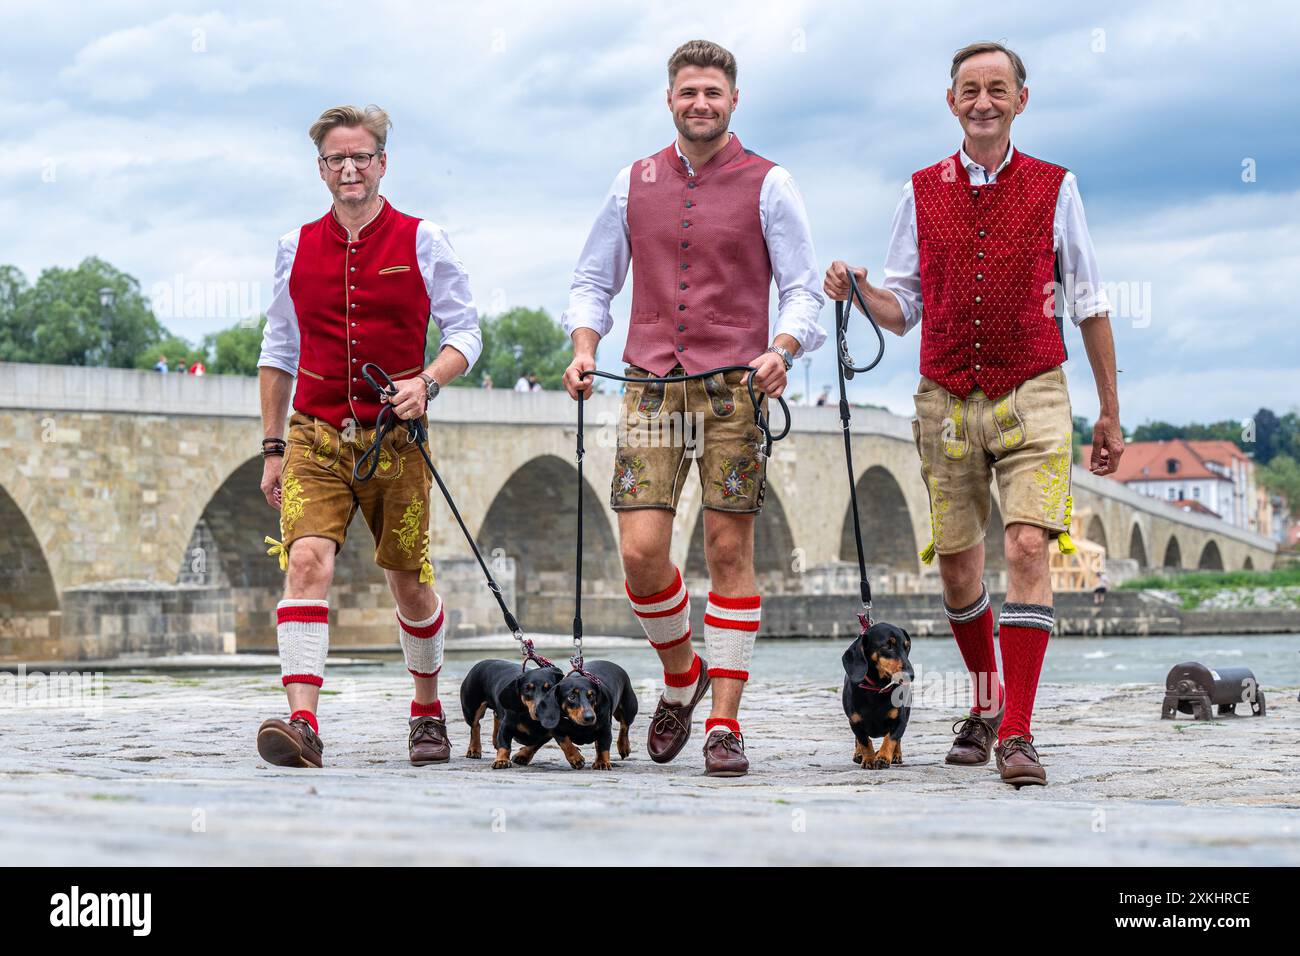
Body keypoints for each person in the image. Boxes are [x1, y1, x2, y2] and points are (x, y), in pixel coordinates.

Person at [825, 42, 1123, 787]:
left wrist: (1111, 414)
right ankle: (985, 702)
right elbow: (904, 311)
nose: (983, 100)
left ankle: (1016, 731)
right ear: (951, 101)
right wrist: (860, 290)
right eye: (969, 89)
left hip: (1034, 390)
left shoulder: (1058, 187)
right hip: (946, 396)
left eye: (998, 88)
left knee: (1025, 546)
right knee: (959, 567)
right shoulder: (918, 191)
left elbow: (1088, 304)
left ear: (1022, 99)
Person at [562, 40, 826, 776]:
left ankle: (724, 723)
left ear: (733, 100)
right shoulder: (631, 182)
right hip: (647, 383)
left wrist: (785, 346)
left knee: (728, 552)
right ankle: (683, 672)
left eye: (713, 91)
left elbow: (802, 287)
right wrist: (585, 348)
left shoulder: (772, 183)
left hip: (735, 388)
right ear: (670, 100)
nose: (700, 103)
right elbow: (592, 279)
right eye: (687, 93)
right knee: (642, 554)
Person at [255, 104, 481, 768]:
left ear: (382, 162)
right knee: (305, 563)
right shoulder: (294, 246)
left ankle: (426, 709)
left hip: (396, 440)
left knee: (407, 581)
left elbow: (465, 333)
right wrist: (273, 447)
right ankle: (303, 722)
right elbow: (278, 349)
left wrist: (428, 382)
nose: (348, 168)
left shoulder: (423, 238)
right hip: (315, 435)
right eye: (335, 159)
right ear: (320, 168)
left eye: (360, 157)